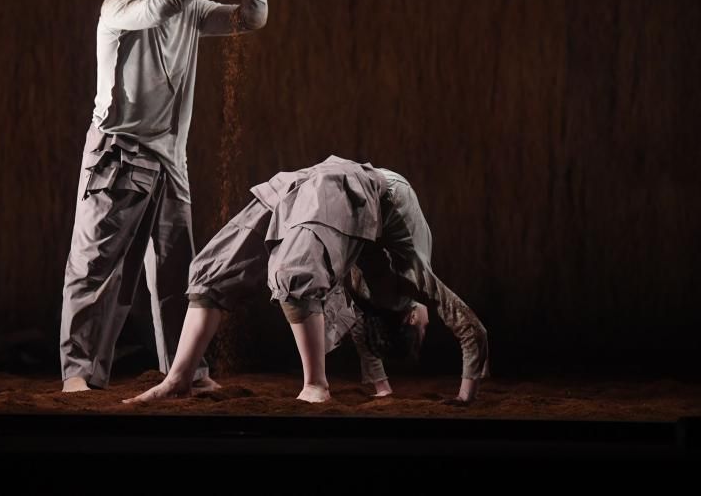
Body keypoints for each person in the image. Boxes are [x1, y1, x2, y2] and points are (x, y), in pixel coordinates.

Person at [59, 0, 269, 392]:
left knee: (180, 273)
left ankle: (186, 372)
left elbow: (251, 20)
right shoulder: (120, 6)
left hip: (172, 163)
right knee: (97, 267)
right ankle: (80, 374)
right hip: (119, 156)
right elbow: (159, 7)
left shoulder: (191, 12)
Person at [124, 156, 489, 404]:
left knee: (220, 269)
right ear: (410, 315)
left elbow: (369, 349)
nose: (425, 325)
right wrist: (465, 396)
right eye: (421, 325)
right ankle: (179, 378)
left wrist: (383, 392)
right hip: (379, 188)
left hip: (335, 187)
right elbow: (473, 330)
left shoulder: (368, 311)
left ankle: (313, 385)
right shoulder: (414, 277)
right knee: (287, 272)